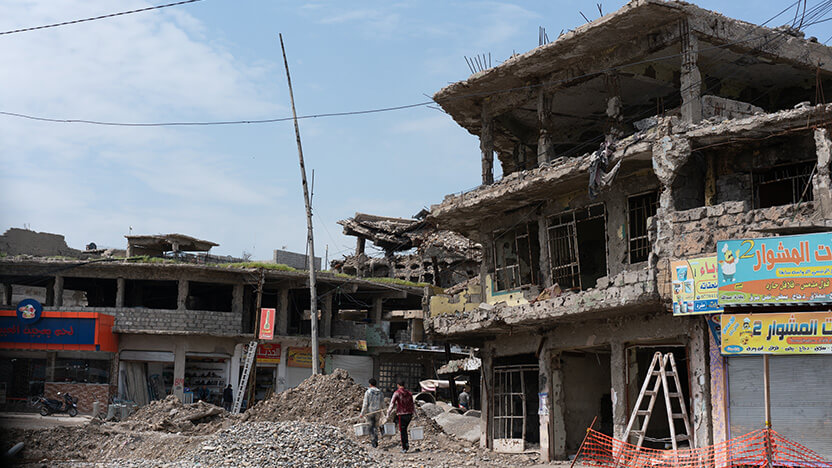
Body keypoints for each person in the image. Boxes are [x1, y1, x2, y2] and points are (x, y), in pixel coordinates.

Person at [387, 379, 415, 452]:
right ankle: (406, 445)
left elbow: (392, 403)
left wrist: (388, 413)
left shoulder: (397, 393)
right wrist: (415, 413)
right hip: (409, 414)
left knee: (402, 431)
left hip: (402, 414)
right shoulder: (409, 393)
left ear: (398, 385)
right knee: (405, 430)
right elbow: (412, 404)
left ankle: (404, 447)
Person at [359, 378, 384, 448]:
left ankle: (373, 441)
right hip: (378, 412)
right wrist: (385, 413)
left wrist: (362, 413)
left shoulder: (368, 392)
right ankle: (376, 440)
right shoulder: (380, 392)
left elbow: (365, 404)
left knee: (371, 427)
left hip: (370, 412)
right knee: (375, 426)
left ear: (370, 384)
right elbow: (383, 403)